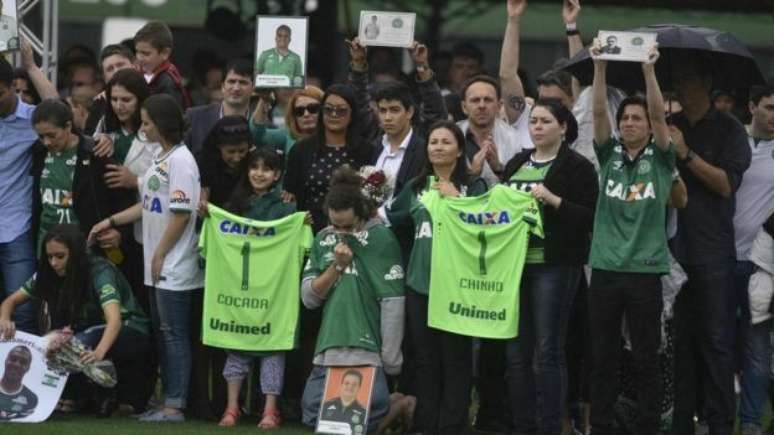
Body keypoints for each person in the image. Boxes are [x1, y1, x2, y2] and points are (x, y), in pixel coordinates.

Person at [587, 42, 684, 435]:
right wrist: (599, 67)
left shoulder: (661, 158)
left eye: (636, 118)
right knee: (603, 356)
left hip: (645, 271)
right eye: (624, 117)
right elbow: (596, 111)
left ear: (649, 126)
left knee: (646, 356)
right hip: (606, 270)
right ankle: (603, 426)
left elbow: (661, 114)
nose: (628, 123)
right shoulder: (608, 154)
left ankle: (647, 427)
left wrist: (648, 70)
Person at [89, 94, 203, 422]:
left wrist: (161, 253)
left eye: (147, 122)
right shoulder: (161, 157)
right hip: (159, 263)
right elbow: (150, 203)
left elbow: (181, 215)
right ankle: (168, 398)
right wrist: (111, 221)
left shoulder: (181, 161)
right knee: (162, 332)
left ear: (162, 125)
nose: (142, 127)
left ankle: (175, 404)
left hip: (174, 265)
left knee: (173, 333)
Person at [499, 98, 597, 434]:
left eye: (545, 121)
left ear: (563, 127)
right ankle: (522, 426)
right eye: (534, 121)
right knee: (516, 355)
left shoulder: (578, 166)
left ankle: (551, 426)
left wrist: (554, 200)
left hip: (555, 267)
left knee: (547, 353)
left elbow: (589, 217)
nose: (537, 127)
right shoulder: (516, 163)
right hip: (514, 268)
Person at [383, 120, 487, 435]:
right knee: (426, 359)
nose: (438, 147)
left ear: (459, 150)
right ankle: (426, 424)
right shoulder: (416, 187)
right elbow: (387, 217)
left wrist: (456, 199)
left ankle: (453, 425)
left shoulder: (475, 186)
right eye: (433, 142)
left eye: (445, 142)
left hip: (458, 286)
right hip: (420, 283)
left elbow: (484, 229)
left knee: (455, 359)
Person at [668, 55, 752, 435]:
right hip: (673, 249)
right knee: (680, 345)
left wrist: (685, 153)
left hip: (714, 251)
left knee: (717, 343)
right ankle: (683, 422)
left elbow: (725, 185)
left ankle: (720, 424)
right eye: (677, 80)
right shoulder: (669, 126)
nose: (680, 87)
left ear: (705, 83)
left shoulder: (731, 130)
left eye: (686, 79)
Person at [0, 224, 151, 417]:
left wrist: (98, 353)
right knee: (52, 342)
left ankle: (98, 391)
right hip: (87, 330)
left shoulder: (99, 271)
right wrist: (5, 319)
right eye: (49, 256)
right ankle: (72, 395)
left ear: (77, 253)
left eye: (60, 256)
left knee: (75, 343)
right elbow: (10, 302)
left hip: (131, 329)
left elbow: (115, 320)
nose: (54, 262)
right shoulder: (48, 272)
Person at [300, 168, 405, 433]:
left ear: (363, 213)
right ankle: (395, 405)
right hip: (330, 345)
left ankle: (398, 404)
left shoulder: (382, 238)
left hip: (367, 347)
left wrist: (390, 358)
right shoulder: (323, 238)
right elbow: (309, 299)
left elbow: (392, 300)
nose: (341, 232)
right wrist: (337, 266)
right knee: (313, 416)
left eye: (348, 226)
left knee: (367, 415)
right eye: (335, 225)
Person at [216, 148, 296, 429]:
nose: (259, 173)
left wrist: (301, 223)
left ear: (277, 175)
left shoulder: (287, 208)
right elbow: (218, 240)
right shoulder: (234, 204)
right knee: (236, 345)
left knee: (273, 347)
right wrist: (208, 217)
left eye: (267, 169)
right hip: (239, 292)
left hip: (272, 292)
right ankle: (231, 407)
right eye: (254, 167)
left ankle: (270, 410)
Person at [345, 38, 448, 198]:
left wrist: (422, 65)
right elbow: (358, 102)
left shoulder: (423, 144)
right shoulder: (373, 144)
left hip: (407, 221)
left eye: (394, 110)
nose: (387, 117)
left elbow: (436, 112)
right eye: (383, 110)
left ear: (409, 112)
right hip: (371, 220)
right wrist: (358, 62)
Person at [30, 99, 132, 258]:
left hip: (85, 250)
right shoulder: (39, 151)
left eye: (51, 135)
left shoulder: (94, 152)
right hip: (46, 250)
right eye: (40, 136)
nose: (46, 142)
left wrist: (120, 232)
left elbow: (122, 197)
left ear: (68, 126)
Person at [734, 84, 774, 435]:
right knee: (718, 344)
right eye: (769, 107)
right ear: (751, 107)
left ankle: (750, 422)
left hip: (762, 264)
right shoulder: (733, 142)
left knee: (758, 348)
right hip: (719, 256)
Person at [284, 84, 373, 233]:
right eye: (328, 109)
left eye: (341, 111)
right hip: (310, 232)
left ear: (352, 115)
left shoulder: (366, 150)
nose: (334, 114)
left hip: (356, 232)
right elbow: (289, 198)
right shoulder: (301, 150)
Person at [457, 74, 528, 186]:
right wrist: (472, 174)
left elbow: (520, 185)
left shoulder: (514, 139)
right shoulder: (452, 136)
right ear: (464, 107)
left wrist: (498, 169)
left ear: (499, 106)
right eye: (475, 100)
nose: (481, 105)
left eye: (488, 100)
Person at [184, 59, 254, 158]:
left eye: (243, 83)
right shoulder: (195, 117)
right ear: (222, 86)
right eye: (231, 81)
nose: (236, 88)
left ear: (253, 89)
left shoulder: (260, 126)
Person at [250, 85, 324, 158]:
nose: (306, 114)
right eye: (299, 111)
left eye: (313, 109)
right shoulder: (289, 135)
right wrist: (264, 99)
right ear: (293, 116)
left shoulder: (334, 135)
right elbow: (256, 136)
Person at [197, 115, 253, 210]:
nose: (236, 158)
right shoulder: (205, 164)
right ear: (219, 147)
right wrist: (203, 205)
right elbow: (204, 186)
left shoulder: (254, 163)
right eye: (231, 152)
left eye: (242, 151)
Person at [134, 21, 191, 109]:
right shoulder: (139, 74)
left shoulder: (167, 83)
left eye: (146, 53)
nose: (139, 58)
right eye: (137, 52)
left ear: (165, 53)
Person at [84, 44, 136, 136]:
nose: (116, 71)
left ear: (134, 66)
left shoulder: (152, 96)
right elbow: (89, 140)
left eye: (120, 65)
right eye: (110, 69)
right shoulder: (100, 104)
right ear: (104, 78)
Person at [0, 346, 37, 420]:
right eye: (13, 359)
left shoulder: (31, 398)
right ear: (6, 361)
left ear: (28, 368)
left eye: (23, 362)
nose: (16, 364)